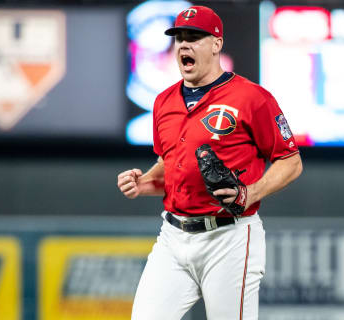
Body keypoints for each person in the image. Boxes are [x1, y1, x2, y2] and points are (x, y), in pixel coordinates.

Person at [117, 5, 303, 320]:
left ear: (217, 44)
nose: (184, 45)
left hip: (228, 237)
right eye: (179, 38)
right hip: (174, 236)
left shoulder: (252, 98)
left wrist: (249, 193)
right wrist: (144, 181)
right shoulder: (164, 101)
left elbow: (291, 162)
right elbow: (172, 164)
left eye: (195, 37)